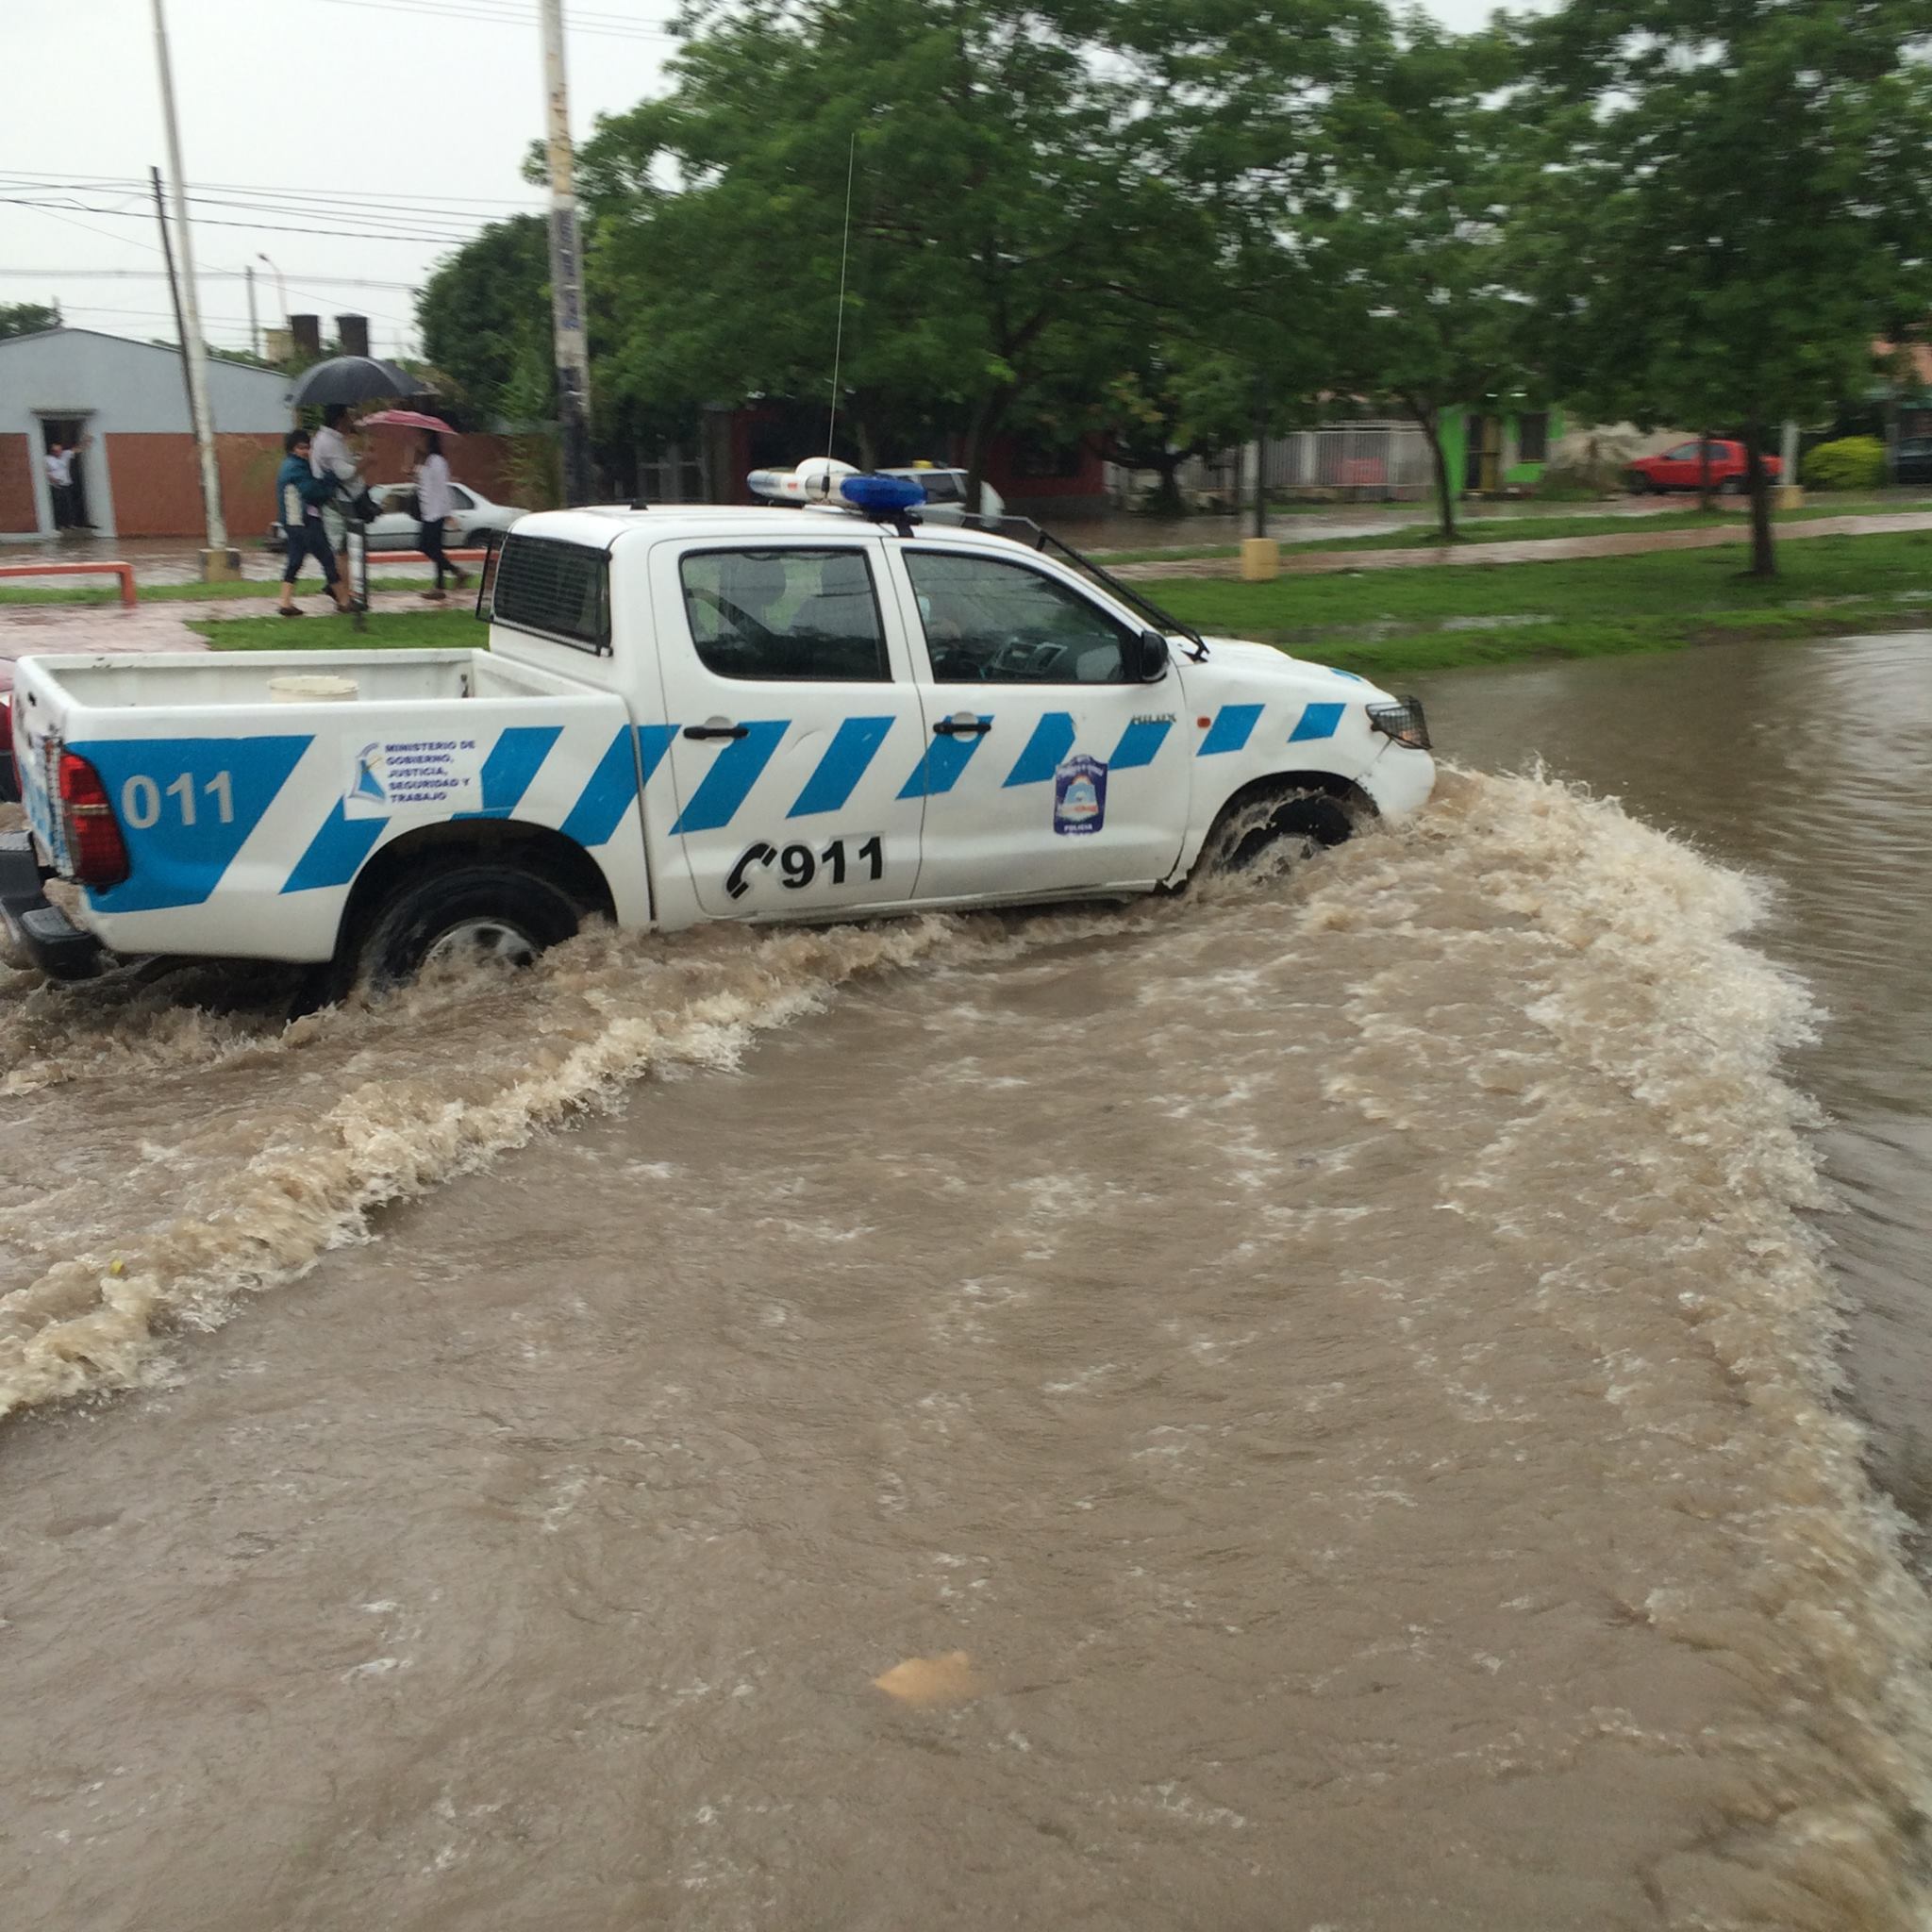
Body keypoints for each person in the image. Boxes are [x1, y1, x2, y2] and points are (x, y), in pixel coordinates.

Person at [276, 429, 351, 615]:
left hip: (293, 523)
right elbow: (313, 493)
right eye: (302, 447)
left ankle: (285, 603)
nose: (307, 451)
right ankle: (344, 601)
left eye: (308, 447)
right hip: (306, 522)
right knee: (327, 559)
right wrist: (330, 480)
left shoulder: (288, 466)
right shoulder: (298, 468)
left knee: (295, 561)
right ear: (293, 449)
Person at [412, 431, 470, 600]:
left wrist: (448, 513)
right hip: (427, 511)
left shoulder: (437, 461)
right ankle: (440, 585)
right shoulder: (426, 461)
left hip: (436, 512)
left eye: (421, 438)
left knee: (425, 546)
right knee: (435, 548)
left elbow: (444, 488)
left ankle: (456, 571)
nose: (418, 441)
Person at [43, 438, 87, 530]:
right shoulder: (47, 459)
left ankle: (70, 523)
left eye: (59, 450)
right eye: (56, 451)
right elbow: (45, 471)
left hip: (66, 484)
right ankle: (59, 525)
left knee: (69, 505)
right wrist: (52, 479)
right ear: (52, 452)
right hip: (55, 486)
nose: (58, 453)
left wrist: (86, 440)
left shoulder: (65, 454)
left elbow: (78, 449)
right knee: (58, 506)